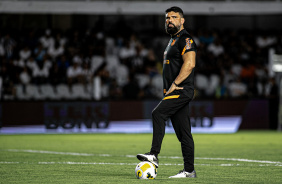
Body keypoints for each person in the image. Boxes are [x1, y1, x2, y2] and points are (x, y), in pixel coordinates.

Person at [136, 6, 197, 178]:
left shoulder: (185, 39)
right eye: (167, 18)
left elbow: (190, 64)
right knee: (184, 134)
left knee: (158, 114)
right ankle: (189, 171)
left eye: (173, 17)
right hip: (176, 90)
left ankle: (153, 154)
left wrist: (174, 84)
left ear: (182, 20)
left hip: (180, 89)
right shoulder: (173, 39)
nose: (169, 20)